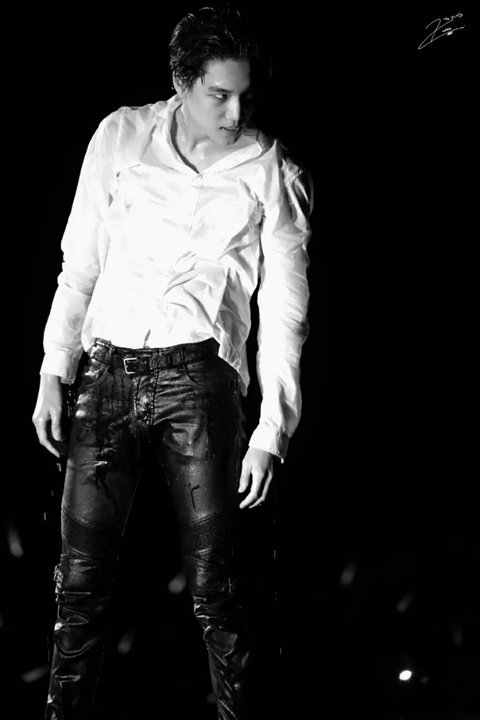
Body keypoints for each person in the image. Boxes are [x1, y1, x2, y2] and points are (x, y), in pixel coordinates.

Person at [32, 4, 313, 719]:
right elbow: (80, 262)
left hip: (200, 383)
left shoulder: (272, 169)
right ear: (183, 83)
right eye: (219, 95)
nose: (235, 112)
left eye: (245, 95)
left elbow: (285, 313)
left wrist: (272, 430)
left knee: (221, 590)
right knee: (78, 588)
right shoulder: (120, 135)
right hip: (106, 374)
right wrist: (53, 368)